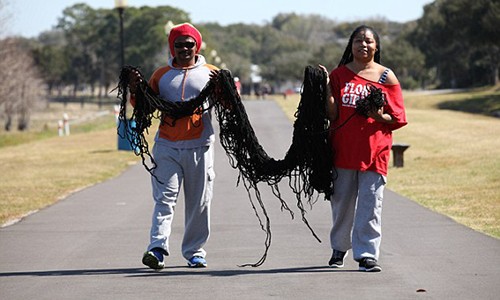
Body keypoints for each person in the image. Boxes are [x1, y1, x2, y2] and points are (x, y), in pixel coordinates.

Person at [128, 23, 219, 270]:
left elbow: (229, 106)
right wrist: (135, 90)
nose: (184, 49)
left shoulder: (212, 73)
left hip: (200, 147)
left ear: (196, 46)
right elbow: (144, 106)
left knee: (199, 202)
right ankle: (156, 249)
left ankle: (195, 252)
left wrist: (230, 92)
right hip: (166, 146)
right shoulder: (161, 74)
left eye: (189, 44)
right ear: (172, 47)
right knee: (164, 199)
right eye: (179, 45)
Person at [322, 25, 407, 272]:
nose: (364, 45)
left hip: (374, 153)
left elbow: (399, 117)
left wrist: (378, 116)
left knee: (371, 206)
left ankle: (367, 254)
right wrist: (327, 89)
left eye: (369, 41)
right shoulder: (339, 75)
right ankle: (339, 249)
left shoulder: (385, 77)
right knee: (341, 204)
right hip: (342, 151)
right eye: (358, 40)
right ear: (351, 45)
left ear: (376, 46)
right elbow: (332, 114)